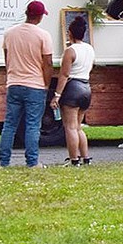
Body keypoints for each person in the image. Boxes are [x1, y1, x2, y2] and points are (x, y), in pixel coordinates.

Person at [0, 0, 53, 168]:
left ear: (26, 13)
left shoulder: (10, 33)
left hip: (14, 83)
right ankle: (32, 162)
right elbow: (48, 63)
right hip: (35, 84)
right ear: (40, 16)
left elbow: (7, 58)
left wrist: (11, 75)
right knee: (32, 125)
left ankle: (4, 162)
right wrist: (46, 84)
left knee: (10, 124)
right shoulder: (43, 35)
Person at [50, 16, 93, 166]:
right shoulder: (90, 49)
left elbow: (64, 74)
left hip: (72, 88)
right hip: (86, 87)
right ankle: (86, 157)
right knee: (78, 126)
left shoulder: (70, 51)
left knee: (70, 127)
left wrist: (57, 95)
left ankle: (74, 159)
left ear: (70, 33)